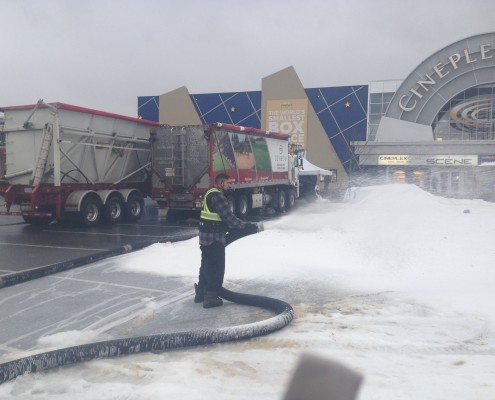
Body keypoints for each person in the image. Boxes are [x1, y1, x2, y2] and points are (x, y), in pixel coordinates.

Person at [195, 173, 259, 309]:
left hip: (205, 237)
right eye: (228, 183)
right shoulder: (218, 196)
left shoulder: (209, 193)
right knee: (216, 267)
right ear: (221, 183)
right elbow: (229, 218)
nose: (229, 185)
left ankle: (200, 293)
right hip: (215, 238)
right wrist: (246, 226)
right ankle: (211, 297)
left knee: (205, 264)